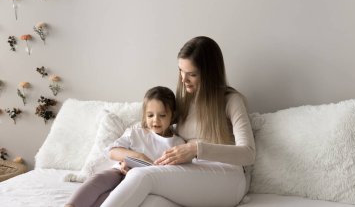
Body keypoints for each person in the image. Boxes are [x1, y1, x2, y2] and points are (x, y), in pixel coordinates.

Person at [100, 36, 255, 207]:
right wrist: (132, 160)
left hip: (229, 178)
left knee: (141, 176)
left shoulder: (232, 101)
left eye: (192, 74)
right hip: (193, 173)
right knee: (150, 202)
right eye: (181, 71)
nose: (183, 79)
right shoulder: (184, 102)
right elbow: (156, 131)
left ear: (210, 74)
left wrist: (196, 149)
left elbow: (248, 154)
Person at [64, 86, 185, 207]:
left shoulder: (177, 143)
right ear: (144, 115)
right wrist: (137, 156)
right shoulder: (137, 132)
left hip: (141, 182)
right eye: (150, 115)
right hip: (119, 171)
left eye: (162, 115)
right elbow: (112, 151)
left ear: (172, 115)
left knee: (113, 197)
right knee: (98, 180)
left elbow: (175, 174)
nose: (155, 120)